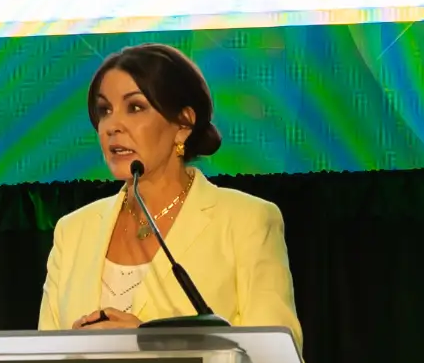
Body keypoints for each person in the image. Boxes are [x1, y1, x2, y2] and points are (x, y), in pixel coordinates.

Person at [38, 43, 302, 346]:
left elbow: (275, 355)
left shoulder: (246, 220)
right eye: (104, 110)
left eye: (135, 107)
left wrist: (149, 343)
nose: (112, 126)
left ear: (183, 124)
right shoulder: (72, 231)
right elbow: (41, 357)